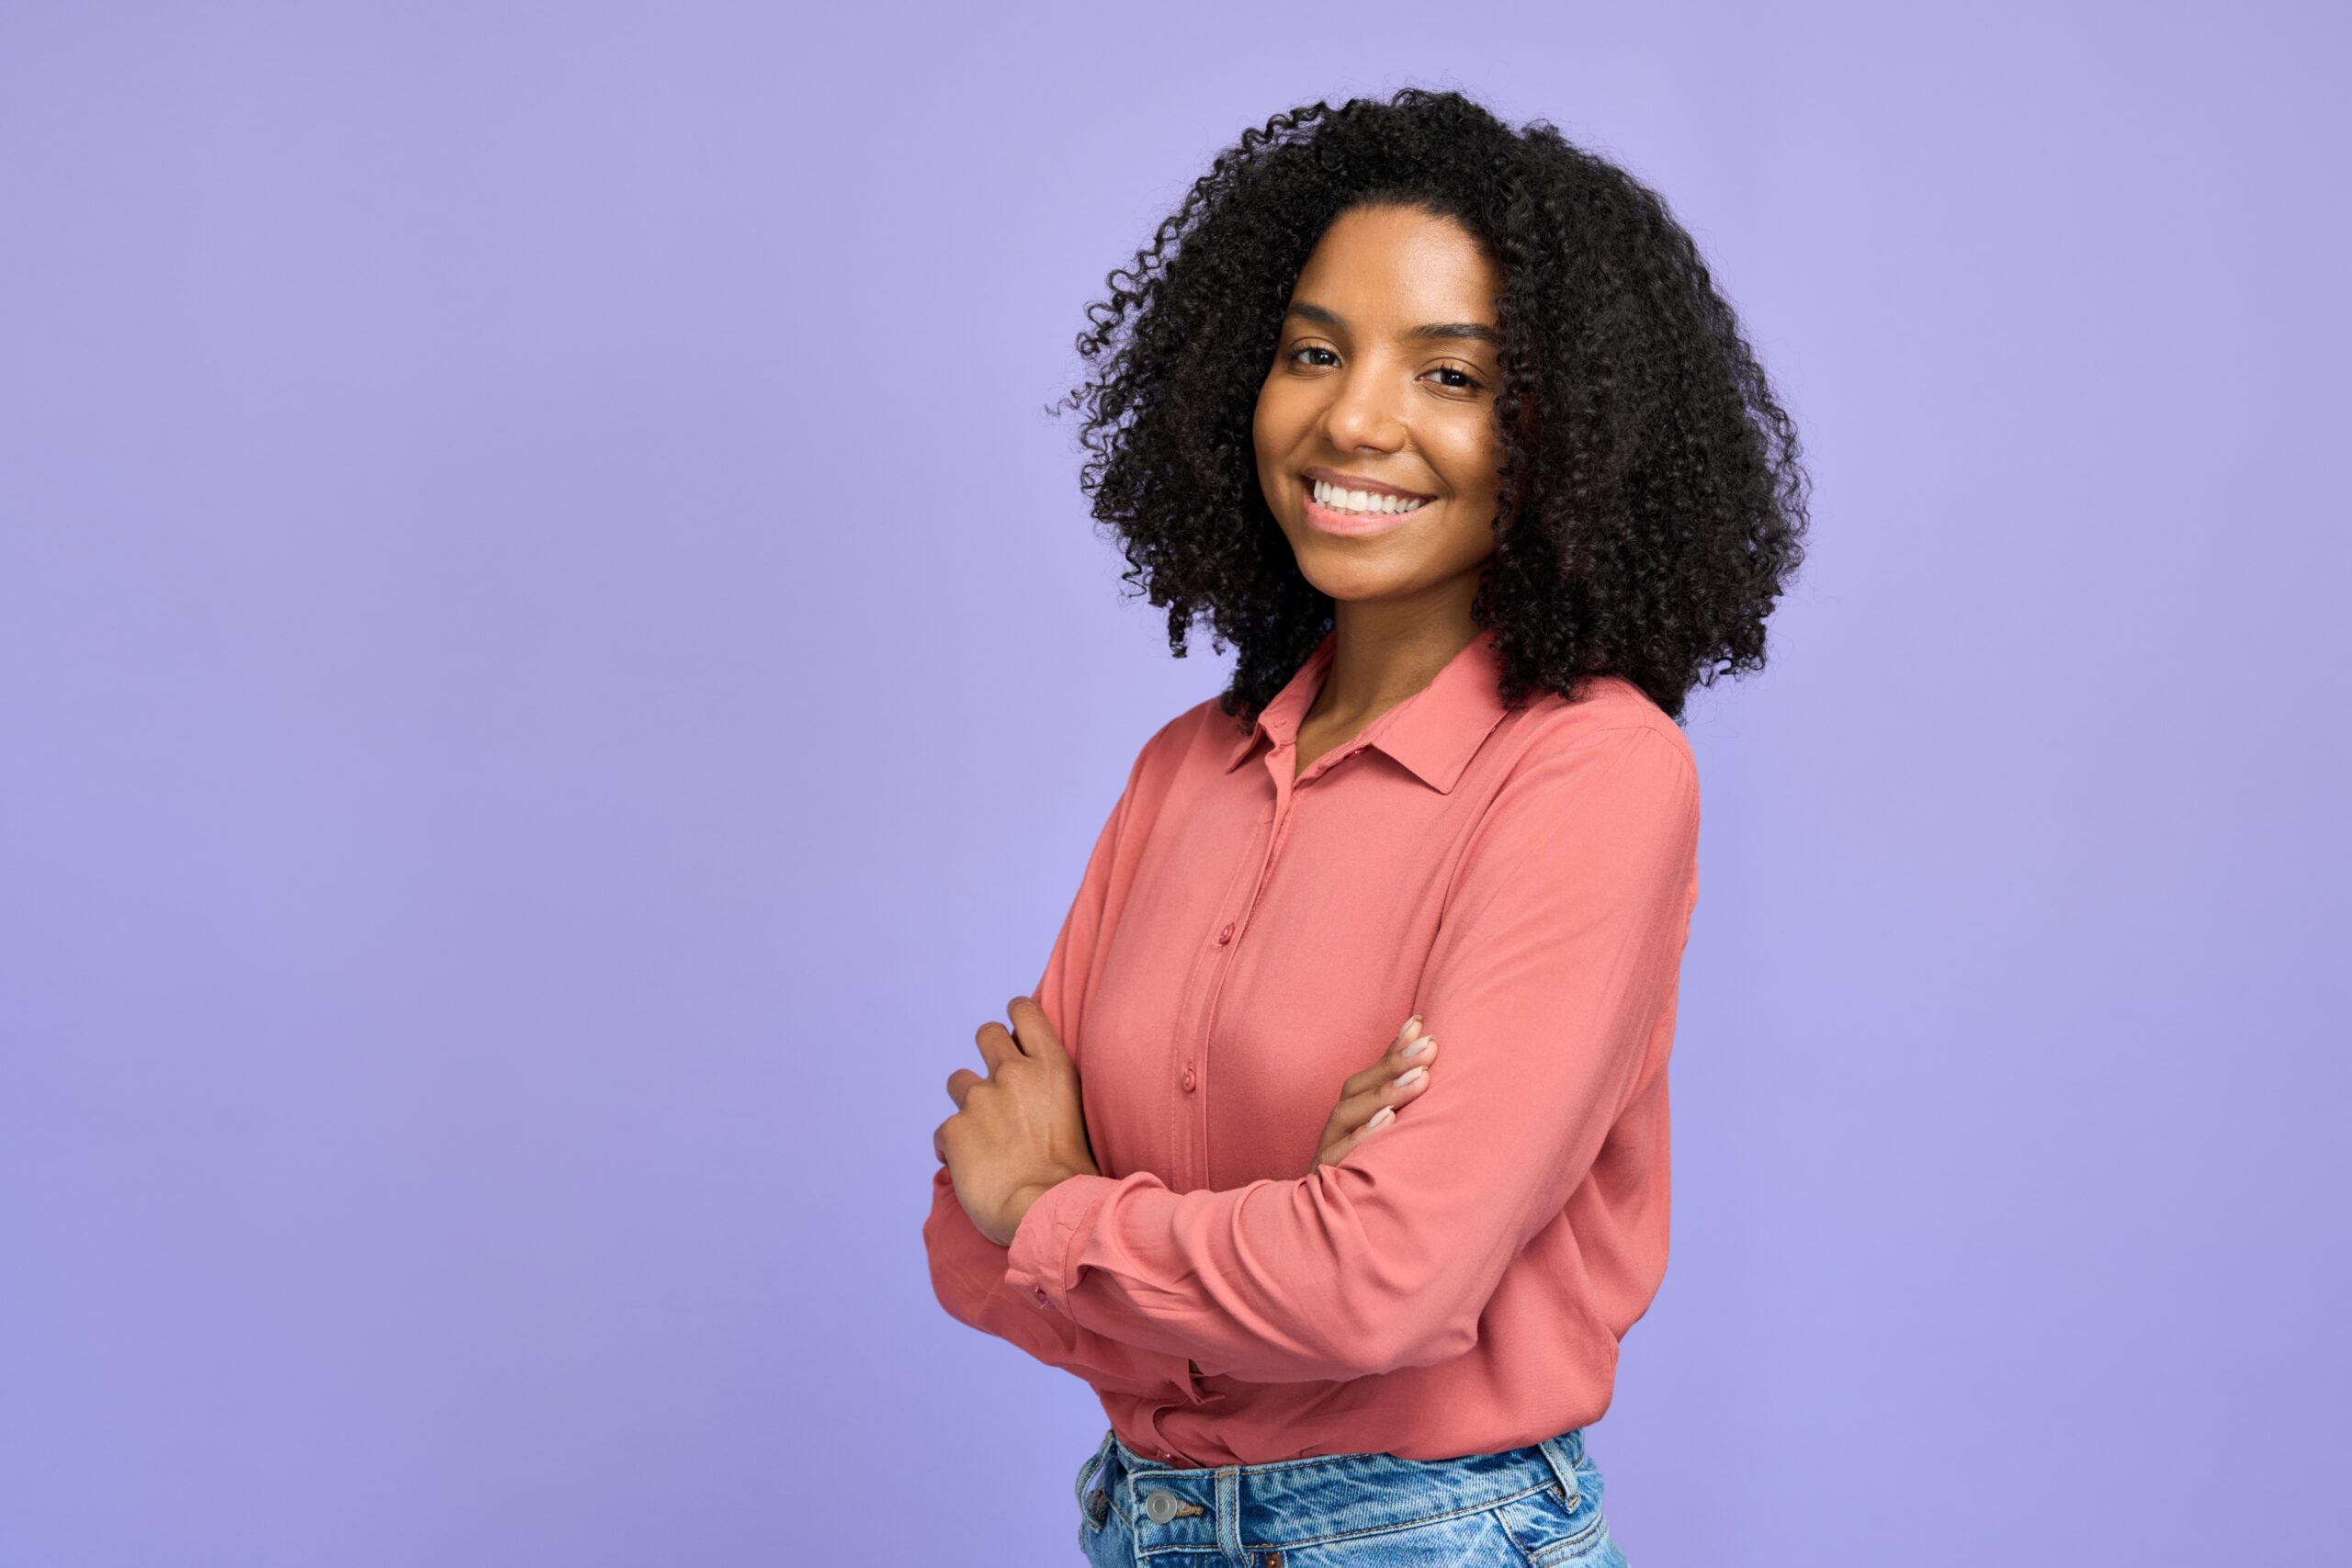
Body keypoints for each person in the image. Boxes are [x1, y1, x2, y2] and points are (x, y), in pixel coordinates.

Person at [925, 86, 1808, 1565]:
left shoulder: (1592, 771)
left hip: (1424, 1536)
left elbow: (1382, 1284)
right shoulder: (1181, 771)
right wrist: (1273, 1218)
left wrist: (1063, 1205)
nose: (1354, 417)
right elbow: (965, 1246)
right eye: (1313, 351)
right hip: (1142, 1523)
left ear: (1570, 434)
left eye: (1452, 375)